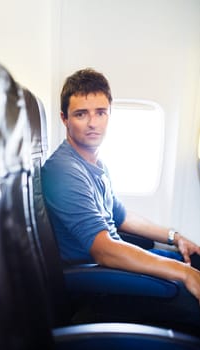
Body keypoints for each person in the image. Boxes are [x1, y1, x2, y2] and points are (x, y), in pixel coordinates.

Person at [41, 68, 200, 304]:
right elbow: (104, 250)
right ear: (64, 118)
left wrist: (175, 237)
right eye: (81, 114)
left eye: (101, 113)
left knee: (194, 260)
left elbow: (121, 216)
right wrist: (184, 273)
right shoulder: (63, 171)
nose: (93, 123)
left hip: (116, 266)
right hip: (100, 279)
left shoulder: (97, 165)